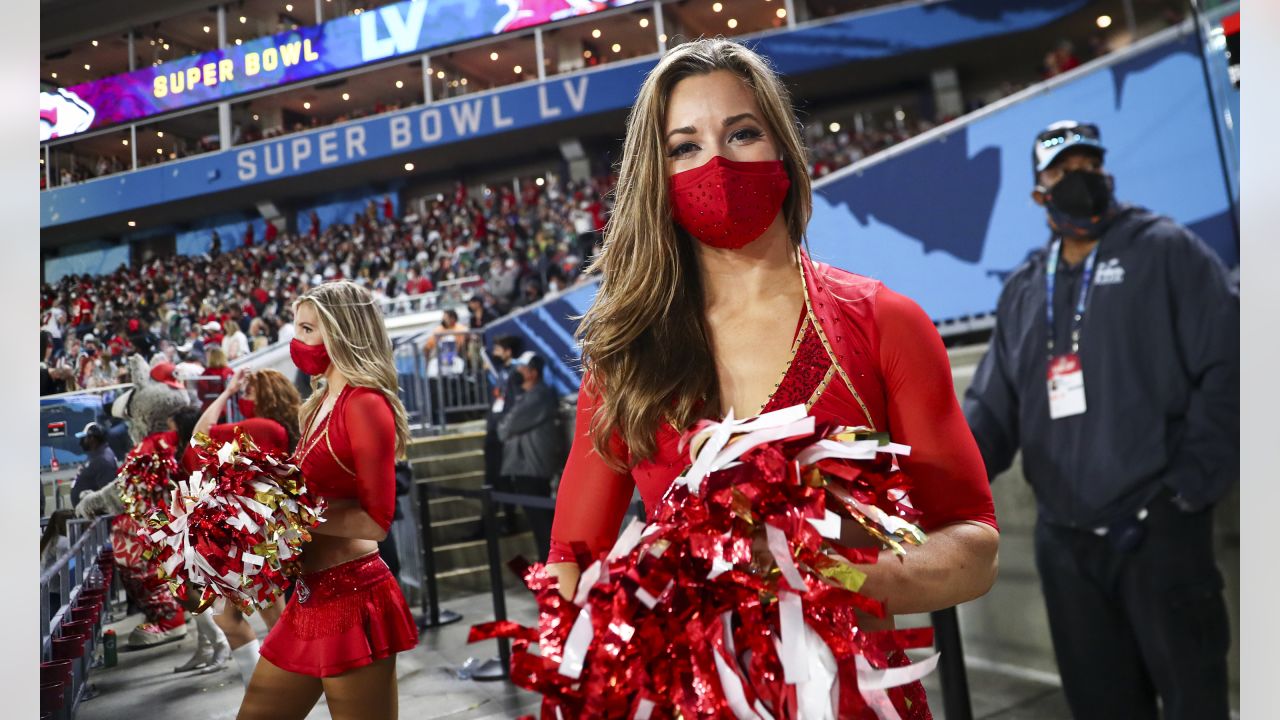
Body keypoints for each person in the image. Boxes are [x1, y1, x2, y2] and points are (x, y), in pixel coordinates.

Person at [545, 38, 999, 718]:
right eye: (685, 146)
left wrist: (829, 578)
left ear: (782, 149)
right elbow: (569, 565)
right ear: (655, 175)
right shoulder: (624, 358)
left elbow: (973, 546)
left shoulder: (884, 323)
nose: (718, 162)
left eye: (742, 133)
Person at [963, 121, 1238, 720]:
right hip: (1066, 544)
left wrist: (1188, 488)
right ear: (1039, 192)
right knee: (1101, 704)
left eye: (1086, 166)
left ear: (1105, 172)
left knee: (1195, 698)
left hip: (1157, 529)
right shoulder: (1026, 289)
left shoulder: (1164, 250)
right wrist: (935, 475)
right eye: (1061, 172)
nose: (1076, 181)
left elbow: (1232, 363)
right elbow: (990, 411)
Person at [240, 280, 416, 720]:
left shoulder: (364, 403)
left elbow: (377, 521)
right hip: (307, 597)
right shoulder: (317, 403)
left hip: (353, 597)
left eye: (306, 330)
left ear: (341, 332)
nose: (296, 342)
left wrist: (283, 517)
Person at [184, 368, 303, 685]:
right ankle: (270, 686)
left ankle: (285, 686)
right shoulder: (276, 427)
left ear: (266, 396)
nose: (244, 397)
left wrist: (226, 392)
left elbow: (200, 434)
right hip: (253, 531)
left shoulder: (262, 427)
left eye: (249, 392)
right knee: (246, 614)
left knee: (262, 614)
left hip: (252, 534)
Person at [498, 352, 561, 561]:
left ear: (533, 373)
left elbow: (504, 429)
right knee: (539, 525)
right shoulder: (527, 395)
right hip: (525, 468)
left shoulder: (538, 395)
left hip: (532, 469)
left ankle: (552, 574)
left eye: (522, 368)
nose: (517, 372)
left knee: (543, 526)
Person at [485, 335, 525, 532]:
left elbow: (515, 405)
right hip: (494, 431)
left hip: (504, 434)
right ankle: (491, 523)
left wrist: (503, 429)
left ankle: (510, 521)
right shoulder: (502, 371)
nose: (494, 353)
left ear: (508, 351)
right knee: (492, 480)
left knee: (503, 479)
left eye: (498, 349)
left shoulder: (517, 371)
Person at [69, 422, 118, 508]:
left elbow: (107, 493)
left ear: (92, 438)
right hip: (86, 513)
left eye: (84, 438)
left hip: (95, 516)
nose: (82, 442)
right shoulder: (96, 456)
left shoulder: (103, 459)